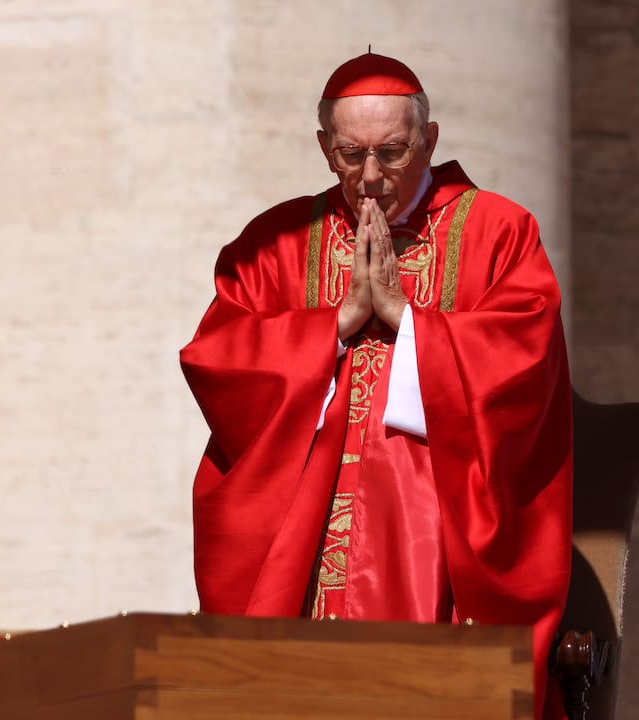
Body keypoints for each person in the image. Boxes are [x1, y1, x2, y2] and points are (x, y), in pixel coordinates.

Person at [179, 52, 572, 719]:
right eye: (348, 154)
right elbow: (219, 359)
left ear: (431, 140)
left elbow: (524, 360)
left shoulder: (498, 232)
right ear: (322, 147)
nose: (368, 178)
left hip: (431, 538)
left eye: (392, 152)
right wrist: (335, 324)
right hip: (302, 535)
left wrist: (410, 324)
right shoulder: (276, 242)